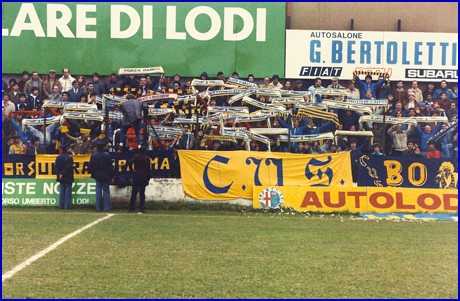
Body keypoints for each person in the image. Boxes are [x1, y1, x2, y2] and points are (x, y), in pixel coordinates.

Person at [88, 137, 114, 212]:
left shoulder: (94, 155)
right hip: (105, 174)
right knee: (106, 191)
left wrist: (93, 174)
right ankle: (106, 207)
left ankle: (98, 207)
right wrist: (111, 176)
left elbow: (91, 166)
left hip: (97, 174)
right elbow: (110, 167)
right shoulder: (107, 155)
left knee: (98, 191)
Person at [128, 146, 151, 213]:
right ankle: (142, 207)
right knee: (142, 193)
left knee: (134, 192)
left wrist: (132, 170)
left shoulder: (136, 157)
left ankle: (132, 207)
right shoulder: (147, 158)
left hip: (136, 175)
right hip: (144, 176)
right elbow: (149, 170)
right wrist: (148, 179)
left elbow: (129, 163)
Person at [53, 141, 74, 210]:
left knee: (62, 190)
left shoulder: (58, 157)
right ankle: (67, 206)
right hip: (67, 176)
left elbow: (55, 167)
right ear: (67, 149)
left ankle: (61, 205)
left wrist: (59, 174)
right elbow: (68, 167)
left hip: (60, 176)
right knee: (68, 191)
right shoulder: (69, 157)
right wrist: (63, 174)